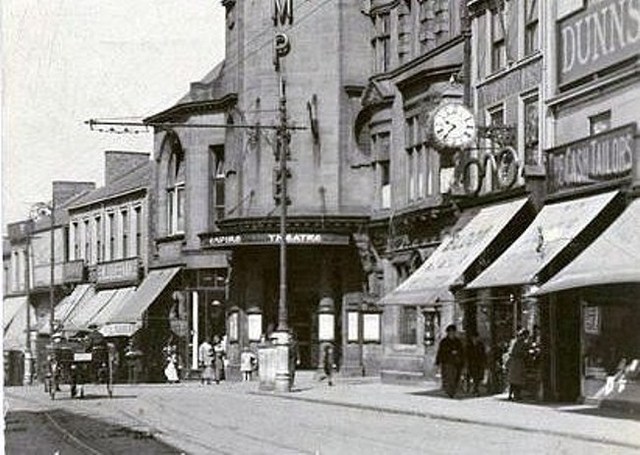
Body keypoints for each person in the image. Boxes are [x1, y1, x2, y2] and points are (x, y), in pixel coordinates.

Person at [435, 324, 465, 398]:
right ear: (448, 333)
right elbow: (440, 351)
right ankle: (449, 391)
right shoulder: (444, 342)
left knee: (455, 377)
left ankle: (453, 390)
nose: (452, 334)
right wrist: (438, 361)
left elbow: (462, 352)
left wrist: (462, 361)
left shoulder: (458, 342)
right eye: (450, 332)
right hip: (447, 362)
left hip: (456, 363)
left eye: (453, 332)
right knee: (448, 377)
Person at [506, 329, 529, 401]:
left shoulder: (515, 341)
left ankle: (511, 395)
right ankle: (516, 395)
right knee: (517, 380)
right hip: (518, 362)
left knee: (512, 380)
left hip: (513, 362)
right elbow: (520, 352)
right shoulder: (520, 342)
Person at [465, 331, 486, 396]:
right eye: (473, 338)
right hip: (472, 363)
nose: (474, 339)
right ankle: (473, 389)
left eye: (476, 338)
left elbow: (483, 354)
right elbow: (467, 354)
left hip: (479, 363)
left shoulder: (481, 345)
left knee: (478, 377)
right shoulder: (469, 345)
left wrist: (484, 362)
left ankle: (476, 389)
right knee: (473, 376)